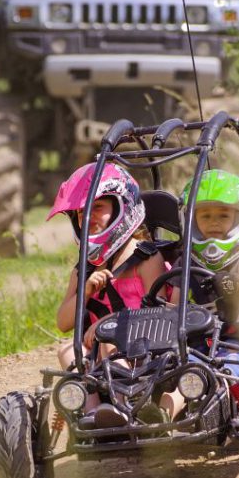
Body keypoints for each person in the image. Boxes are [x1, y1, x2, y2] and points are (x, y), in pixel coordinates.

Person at [150, 168, 239, 424]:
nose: (214, 222)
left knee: (226, 374)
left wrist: (238, 283)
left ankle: (225, 414)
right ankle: (161, 418)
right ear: (192, 220)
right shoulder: (185, 264)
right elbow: (175, 307)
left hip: (237, 342)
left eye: (223, 214)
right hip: (196, 343)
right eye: (205, 215)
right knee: (188, 376)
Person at [48, 162, 167, 423]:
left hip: (143, 348)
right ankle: (92, 412)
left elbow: (161, 314)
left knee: (109, 340)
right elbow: (63, 322)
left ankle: (124, 405)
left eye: (97, 208)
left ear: (121, 208)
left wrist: (109, 324)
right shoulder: (83, 270)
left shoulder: (146, 258)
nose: (87, 218)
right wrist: (86, 291)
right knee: (66, 350)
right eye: (80, 214)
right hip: (97, 356)